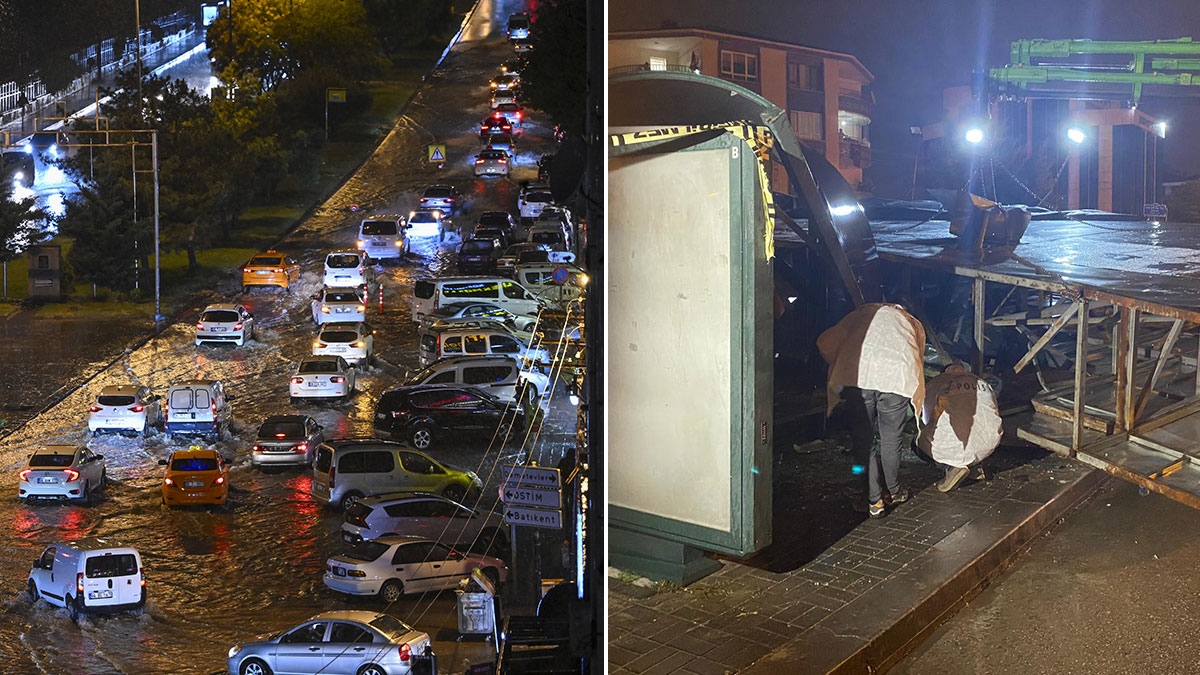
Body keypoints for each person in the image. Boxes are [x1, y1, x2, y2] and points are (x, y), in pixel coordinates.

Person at [818, 303, 926, 518]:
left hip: (860, 377)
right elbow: (918, 354)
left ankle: (874, 501)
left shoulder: (860, 314)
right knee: (891, 438)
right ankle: (894, 491)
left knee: (864, 440)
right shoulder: (909, 321)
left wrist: (837, 362)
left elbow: (825, 342)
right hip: (897, 377)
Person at [916, 364, 1003, 492]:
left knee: (918, 442)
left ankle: (951, 468)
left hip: (958, 444)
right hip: (991, 442)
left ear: (945, 371)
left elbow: (927, 419)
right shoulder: (982, 383)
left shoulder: (938, 382)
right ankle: (974, 467)